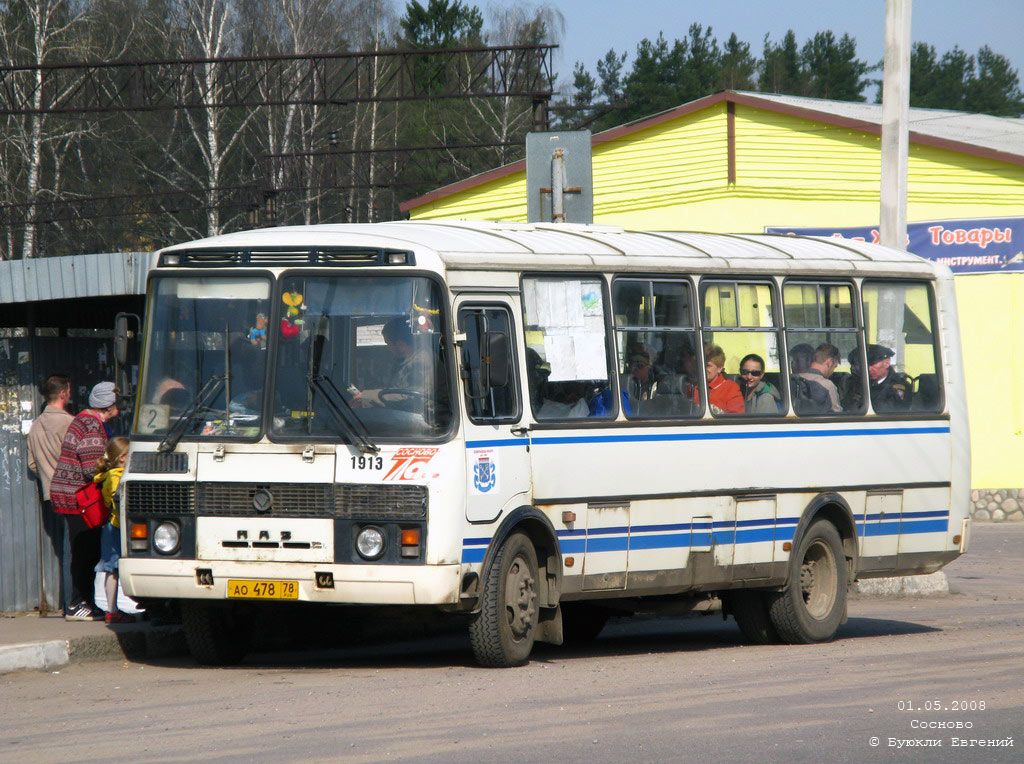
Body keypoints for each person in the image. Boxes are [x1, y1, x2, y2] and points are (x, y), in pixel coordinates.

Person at [49, 382, 120, 621]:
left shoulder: (84, 420)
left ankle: (85, 602)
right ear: (108, 405)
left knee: (85, 550)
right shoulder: (91, 425)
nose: (119, 407)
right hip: (79, 498)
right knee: (84, 550)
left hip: (75, 495)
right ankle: (77, 604)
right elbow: (92, 468)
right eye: (116, 401)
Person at [27, 375, 75, 612]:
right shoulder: (69, 423)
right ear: (64, 394)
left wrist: (48, 478)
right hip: (74, 494)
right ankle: (73, 603)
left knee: (64, 548)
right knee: (74, 550)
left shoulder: (35, 425)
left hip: (50, 494)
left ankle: (69, 603)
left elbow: (32, 464)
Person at [92, 437, 135, 624]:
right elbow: (119, 505)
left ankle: (112, 609)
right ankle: (112, 610)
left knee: (112, 569)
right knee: (113, 569)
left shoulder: (108, 476)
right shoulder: (117, 477)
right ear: (123, 458)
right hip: (117, 527)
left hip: (111, 526)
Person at [353, 317, 433, 408]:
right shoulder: (403, 361)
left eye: (388, 344)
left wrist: (366, 397)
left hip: (425, 419)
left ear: (400, 344)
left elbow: (411, 396)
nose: (387, 349)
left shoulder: (421, 362)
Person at [695, 344, 744, 414]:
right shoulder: (694, 386)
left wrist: (718, 412)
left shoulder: (730, 388)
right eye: (701, 365)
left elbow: (736, 418)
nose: (703, 369)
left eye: (708, 365)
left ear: (719, 368)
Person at [864, 344, 913, 412]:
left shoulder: (898, 386)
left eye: (872, 364)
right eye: (865, 365)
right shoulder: (861, 382)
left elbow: (889, 412)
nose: (869, 369)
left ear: (886, 363)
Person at [796, 343, 842, 414]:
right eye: (834, 366)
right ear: (829, 362)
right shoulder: (827, 385)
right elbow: (837, 414)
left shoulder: (794, 379)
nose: (833, 371)